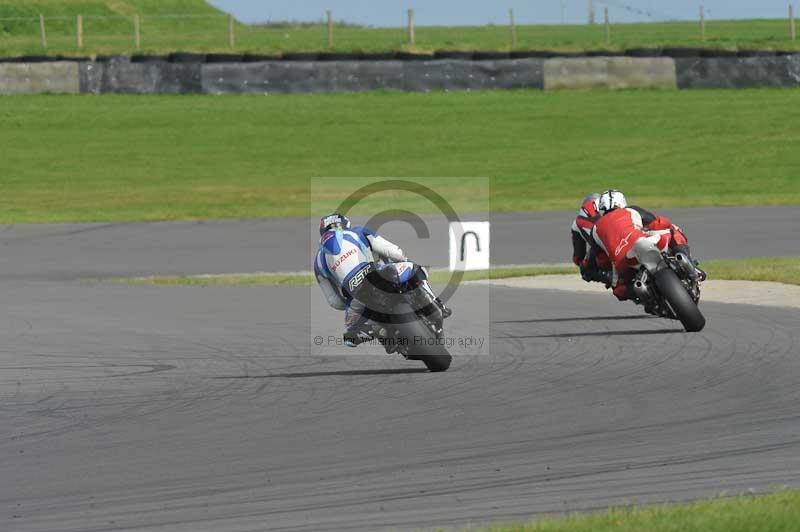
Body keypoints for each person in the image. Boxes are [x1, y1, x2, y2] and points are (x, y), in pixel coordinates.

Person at [314, 213, 451, 348]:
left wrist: (349, 301)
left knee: (351, 331)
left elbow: (335, 301)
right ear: (346, 225)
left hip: (357, 298)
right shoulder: (357, 232)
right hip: (382, 276)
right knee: (415, 268)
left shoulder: (318, 262)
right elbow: (394, 252)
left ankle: (378, 333)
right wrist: (405, 260)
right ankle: (437, 305)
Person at [590, 190, 692, 301]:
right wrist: (668, 225)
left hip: (623, 263)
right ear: (622, 201)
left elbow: (602, 261)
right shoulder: (631, 210)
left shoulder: (594, 230)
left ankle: (646, 295)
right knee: (673, 231)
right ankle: (684, 258)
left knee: (618, 291)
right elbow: (658, 224)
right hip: (643, 242)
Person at [570, 192, 612, 284]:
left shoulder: (577, 223)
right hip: (624, 242)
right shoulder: (612, 208)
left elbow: (578, 258)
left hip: (604, 255)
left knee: (585, 270)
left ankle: (609, 277)